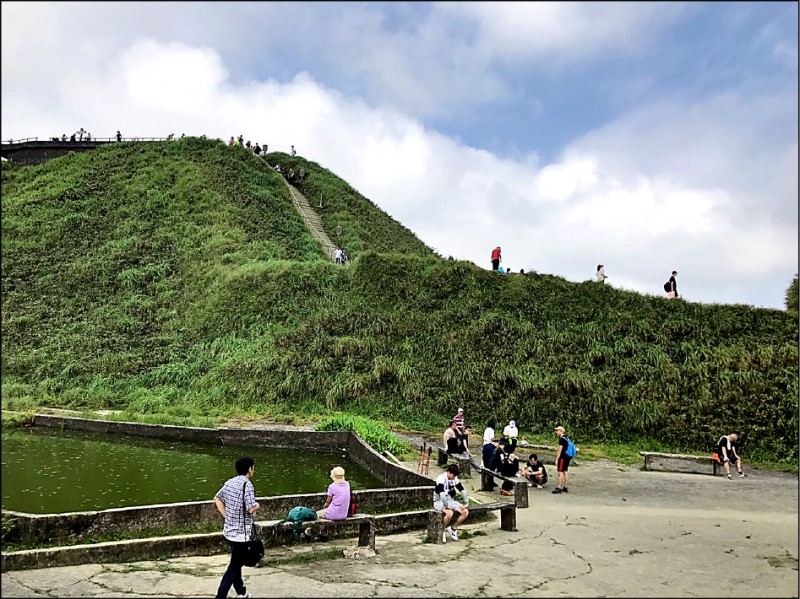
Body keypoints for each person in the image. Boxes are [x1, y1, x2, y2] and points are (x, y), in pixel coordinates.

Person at [214, 456, 261, 599]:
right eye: (253, 467)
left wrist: (226, 515)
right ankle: (220, 596)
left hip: (229, 531)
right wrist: (257, 506)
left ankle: (241, 591)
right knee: (233, 567)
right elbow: (250, 509)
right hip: (241, 534)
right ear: (249, 469)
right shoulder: (247, 485)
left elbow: (217, 498)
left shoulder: (229, 482)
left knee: (236, 563)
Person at [433, 464, 469, 543]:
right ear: (449, 472)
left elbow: (461, 489)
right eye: (453, 475)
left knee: (465, 512)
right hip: (439, 501)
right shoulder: (441, 479)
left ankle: (453, 529)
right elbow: (442, 495)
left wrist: (466, 502)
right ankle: (442, 530)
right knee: (449, 513)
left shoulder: (454, 478)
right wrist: (446, 506)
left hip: (450, 500)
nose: (454, 477)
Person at [552, 426, 572, 494]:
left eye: (557, 431)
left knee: (560, 472)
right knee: (565, 471)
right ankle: (565, 486)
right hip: (568, 457)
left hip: (562, 458)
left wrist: (557, 459)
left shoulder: (561, 440)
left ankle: (559, 487)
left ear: (560, 431)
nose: (556, 432)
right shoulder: (567, 438)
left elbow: (559, 451)